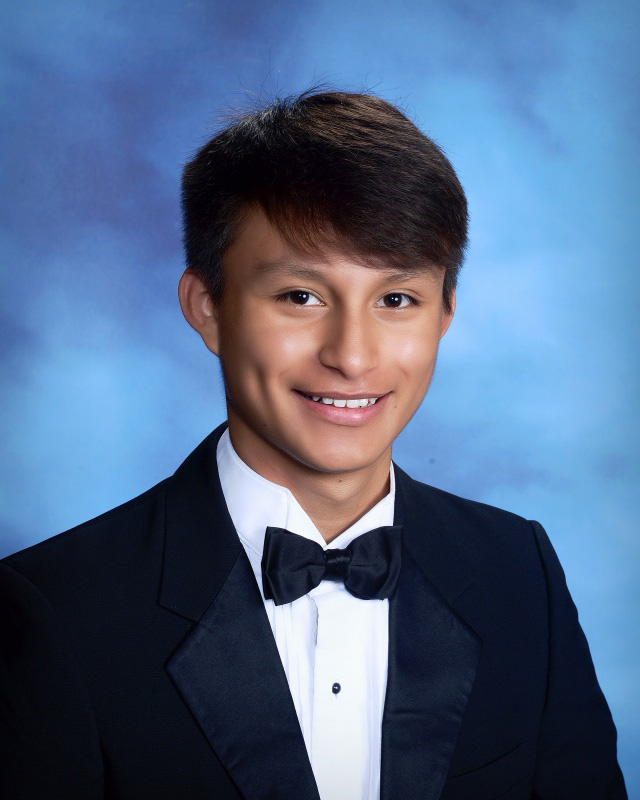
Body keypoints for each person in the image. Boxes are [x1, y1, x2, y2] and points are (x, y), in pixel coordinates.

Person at [0, 90, 626, 800]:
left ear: (446, 314)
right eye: (302, 296)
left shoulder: (520, 575)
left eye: (396, 300)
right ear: (208, 308)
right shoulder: (56, 611)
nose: (353, 357)